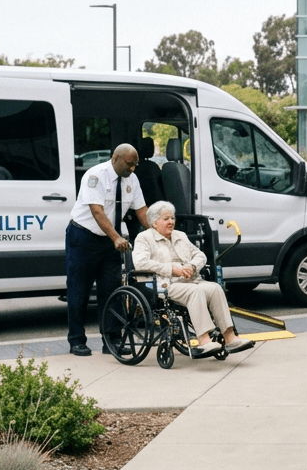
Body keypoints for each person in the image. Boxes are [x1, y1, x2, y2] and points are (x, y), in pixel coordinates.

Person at [133, 201, 254, 357]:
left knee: (215, 288)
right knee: (195, 292)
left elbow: (200, 255)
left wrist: (192, 266)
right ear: (154, 223)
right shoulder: (144, 238)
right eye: (166, 219)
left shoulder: (180, 235)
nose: (171, 222)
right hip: (165, 284)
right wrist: (172, 269)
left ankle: (230, 337)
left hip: (190, 280)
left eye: (172, 218)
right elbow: (141, 262)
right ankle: (204, 340)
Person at [66, 144, 150, 356]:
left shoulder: (132, 179)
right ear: (116, 158)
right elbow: (97, 211)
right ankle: (76, 340)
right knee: (79, 290)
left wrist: (158, 231)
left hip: (111, 240)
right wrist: (116, 237)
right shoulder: (95, 176)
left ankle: (111, 340)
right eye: (129, 164)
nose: (132, 169)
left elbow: (141, 210)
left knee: (111, 291)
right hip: (83, 237)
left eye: (135, 165)